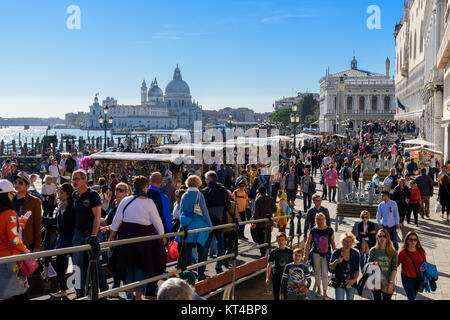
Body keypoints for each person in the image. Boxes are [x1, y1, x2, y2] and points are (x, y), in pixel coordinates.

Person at [109, 176, 166, 300]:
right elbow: (157, 221)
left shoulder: (125, 200)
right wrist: (163, 236)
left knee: (129, 265)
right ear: (145, 188)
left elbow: (117, 220)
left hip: (126, 237)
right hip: (143, 240)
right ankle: (138, 297)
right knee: (141, 266)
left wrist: (111, 237)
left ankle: (130, 295)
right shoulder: (149, 202)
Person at [71, 169, 107, 298]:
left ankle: (103, 290)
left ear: (84, 180)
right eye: (73, 179)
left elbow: (97, 216)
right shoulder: (75, 195)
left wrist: (94, 235)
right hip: (78, 233)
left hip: (91, 234)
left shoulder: (92, 195)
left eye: (77, 179)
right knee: (76, 264)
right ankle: (79, 293)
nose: (74, 181)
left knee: (95, 264)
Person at [42, 183, 76, 298]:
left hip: (71, 239)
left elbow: (75, 223)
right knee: (59, 264)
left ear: (68, 194)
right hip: (61, 239)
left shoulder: (73, 206)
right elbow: (55, 221)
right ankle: (63, 289)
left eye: (62, 192)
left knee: (77, 264)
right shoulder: (60, 206)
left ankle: (81, 289)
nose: (59, 194)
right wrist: (41, 219)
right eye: (59, 192)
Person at [176, 175, 212, 281]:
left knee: (187, 251)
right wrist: (210, 225)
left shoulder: (184, 195)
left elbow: (180, 211)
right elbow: (204, 212)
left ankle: (187, 274)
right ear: (198, 183)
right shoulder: (199, 195)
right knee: (203, 250)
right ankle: (201, 273)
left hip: (187, 225)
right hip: (199, 224)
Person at [0, 180, 31, 300]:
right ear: (7, 195)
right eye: (12, 194)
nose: (13, 196)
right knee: (21, 294)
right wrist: (24, 248)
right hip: (11, 260)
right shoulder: (10, 214)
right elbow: (14, 240)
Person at [101, 182, 129, 292]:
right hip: (111, 235)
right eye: (116, 189)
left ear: (126, 193)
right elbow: (110, 215)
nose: (117, 191)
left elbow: (122, 222)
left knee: (118, 263)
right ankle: (120, 286)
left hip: (121, 236)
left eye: (121, 190)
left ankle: (120, 286)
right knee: (113, 263)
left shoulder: (126, 204)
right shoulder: (114, 202)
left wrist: (107, 228)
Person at [201, 171, 230, 274]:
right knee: (221, 245)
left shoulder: (204, 192)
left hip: (208, 223)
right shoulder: (223, 190)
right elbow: (228, 205)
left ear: (209, 179)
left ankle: (201, 271)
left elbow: (201, 208)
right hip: (220, 221)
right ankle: (218, 267)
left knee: (206, 246)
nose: (205, 180)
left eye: (205, 179)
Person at [304, 213, 336, 299]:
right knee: (317, 272)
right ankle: (319, 289)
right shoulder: (313, 230)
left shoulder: (329, 230)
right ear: (316, 220)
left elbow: (333, 243)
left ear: (324, 220)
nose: (320, 221)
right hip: (315, 254)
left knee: (325, 273)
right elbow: (307, 243)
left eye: (322, 219)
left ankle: (325, 292)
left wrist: (335, 255)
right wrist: (305, 254)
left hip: (326, 255)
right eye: (318, 219)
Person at [12, 172, 42, 252]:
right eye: (15, 182)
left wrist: (38, 244)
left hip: (27, 241)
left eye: (21, 183)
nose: (17, 184)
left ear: (27, 186)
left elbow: (38, 224)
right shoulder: (10, 199)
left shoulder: (35, 201)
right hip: (11, 240)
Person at [368, 229, 398, 300]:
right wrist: (373, 265)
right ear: (377, 237)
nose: (382, 238)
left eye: (384, 236)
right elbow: (368, 266)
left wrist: (391, 283)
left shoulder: (393, 252)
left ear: (387, 238)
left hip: (388, 281)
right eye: (380, 236)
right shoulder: (373, 250)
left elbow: (394, 268)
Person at [329, 232, 360, 300]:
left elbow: (357, 270)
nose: (348, 244)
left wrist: (354, 280)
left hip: (351, 283)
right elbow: (330, 267)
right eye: (345, 241)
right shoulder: (336, 252)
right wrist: (336, 262)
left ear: (352, 242)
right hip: (339, 282)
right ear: (342, 242)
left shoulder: (355, 254)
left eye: (350, 241)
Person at [397, 231, 427, 301]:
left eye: (415, 239)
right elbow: (396, 265)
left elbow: (425, 264)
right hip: (407, 279)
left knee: (413, 297)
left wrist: (422, 268)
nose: (413, 241)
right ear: (407, 240)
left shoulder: (421, 251)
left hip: (418, 278)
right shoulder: (402, 252)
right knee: (411, 298)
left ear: (417, 241)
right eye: (410, 239)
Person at [266, 232, 293, 300]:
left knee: (286, 295)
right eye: (279, 240)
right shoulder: (274, 252)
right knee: (276, 295)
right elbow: (269, 265)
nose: (281, 242)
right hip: (276, 276)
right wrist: (267, 277)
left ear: (285, 240)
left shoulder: (290, 251)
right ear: (276, 240)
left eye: (282, 240)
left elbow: (293, 265)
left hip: (287, 277)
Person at [252, 186, 277, 257]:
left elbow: (256, 213)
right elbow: (275, 209)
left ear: (259, 192)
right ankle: (268, 250)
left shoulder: (258, 200)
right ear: (266, 192)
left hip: (260, 223)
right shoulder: (271, 199)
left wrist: (254, 222)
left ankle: (263, 252)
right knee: (268, 236)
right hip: (269, 222)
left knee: (261, 238)